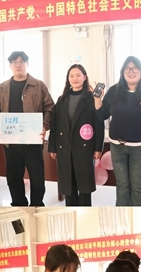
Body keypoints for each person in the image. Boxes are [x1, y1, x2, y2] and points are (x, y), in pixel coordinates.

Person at [95, 56, 141, 206]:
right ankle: (122, 218)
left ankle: (139, 218)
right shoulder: (114, 90)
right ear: (123, 72)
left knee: (138, 186)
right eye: (127, 68)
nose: (131, 71)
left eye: (135, 68)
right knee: (122, 185)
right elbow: (102, 115)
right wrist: (97, 98)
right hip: (117, 146)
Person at [0, 51, 55, 206]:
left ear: (27, 64)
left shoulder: (39, 86)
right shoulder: (2, 88)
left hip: (32, 140)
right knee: (13, 176)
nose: (18, 65)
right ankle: (18, 204)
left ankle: (37, 204)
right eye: (14, 62)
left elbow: (50, 108)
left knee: (37, 175)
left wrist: (44, 126)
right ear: (10, 66)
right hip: (11, 141)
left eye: (21, 62)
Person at [48, 64, 104, 206]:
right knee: (68, 186)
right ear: (68, 79)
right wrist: (52, 147)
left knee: (84, 187)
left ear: (84, 77)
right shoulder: (62, 99)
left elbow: (99, 124)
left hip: (85, 148)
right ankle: (71, 211)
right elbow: (55, 125)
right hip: (65, 148)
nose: (75, 78)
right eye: (71, 76)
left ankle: (85, 213)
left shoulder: (91, 98)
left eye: (78, 75)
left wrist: (98, 148)